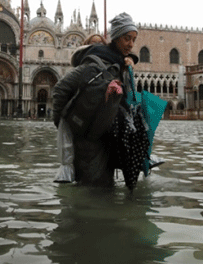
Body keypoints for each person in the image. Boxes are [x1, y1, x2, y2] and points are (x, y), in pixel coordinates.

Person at [52, 12, 139, 187]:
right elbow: (60, 89)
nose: (130, 44)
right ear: (115, 38)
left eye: (133, 40)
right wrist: (65, 124)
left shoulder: (119, 65)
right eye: (126, 38)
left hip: (107, 140)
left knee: (104, 191)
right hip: (87, 143)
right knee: (94, 192)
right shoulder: (92, 65)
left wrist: (129, 72)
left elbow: (130, 100)